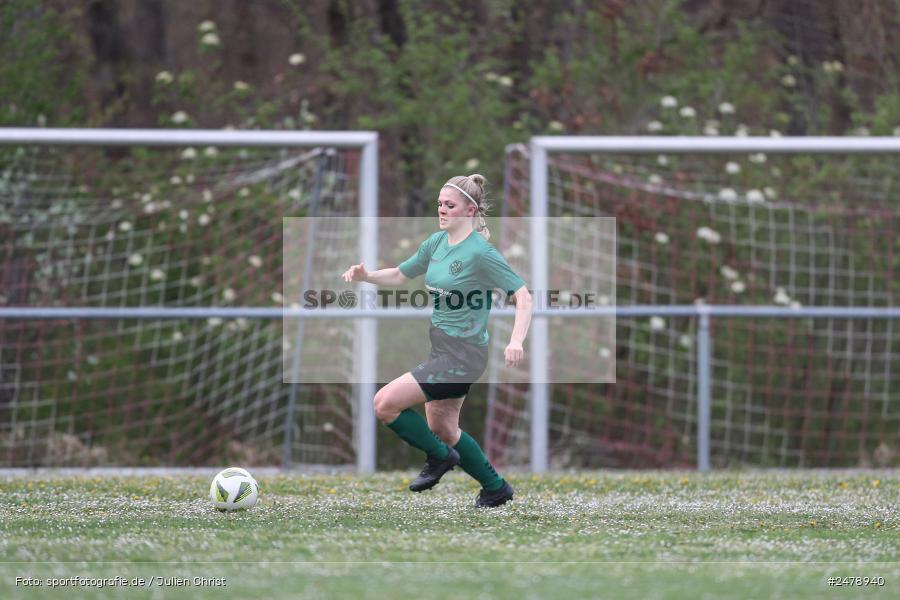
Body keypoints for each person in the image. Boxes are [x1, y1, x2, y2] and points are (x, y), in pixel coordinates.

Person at [342, 174, 533, 507]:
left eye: (450, 205)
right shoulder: (436, 243)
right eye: (440, 205)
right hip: (443, 348)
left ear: (470, 210)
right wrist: (367, 276)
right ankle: (495, 488)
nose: (442, 210)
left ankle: (441, 458)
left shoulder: (481, 253)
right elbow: (401, 275)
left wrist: (516, 341)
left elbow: (524, 296)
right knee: (443, 427)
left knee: (384, 404)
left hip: (463, 355)